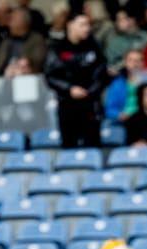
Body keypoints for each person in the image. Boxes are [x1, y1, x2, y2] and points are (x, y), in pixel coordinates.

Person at [45, 13, 106, 149]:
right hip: (67, 106)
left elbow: (101, 73)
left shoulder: (94, 47)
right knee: (69, 146)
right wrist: (69, 89)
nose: (87, 28)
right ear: (70, 25)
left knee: (92, 146)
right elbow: (50, 76)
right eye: (82, 25)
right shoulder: (58, 48)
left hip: (91, 105)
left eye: (88, 25)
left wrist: (89, 91)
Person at [0, 7, 47, 76]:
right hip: (3, 79)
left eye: (12, 20)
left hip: (26, 78)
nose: (9, 24)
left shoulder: (36, 39)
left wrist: (21, 67)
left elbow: (37, 62)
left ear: (22, 22)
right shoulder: (6, 41)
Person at [103, 46, 147, 123]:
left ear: (143, 63)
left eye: (138, 61)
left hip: (145, 121)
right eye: (131, 60)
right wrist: (118, 114)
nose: (134, 64)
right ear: (125, 62)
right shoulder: (117, 84)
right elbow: (109, 109)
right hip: (124, 121)